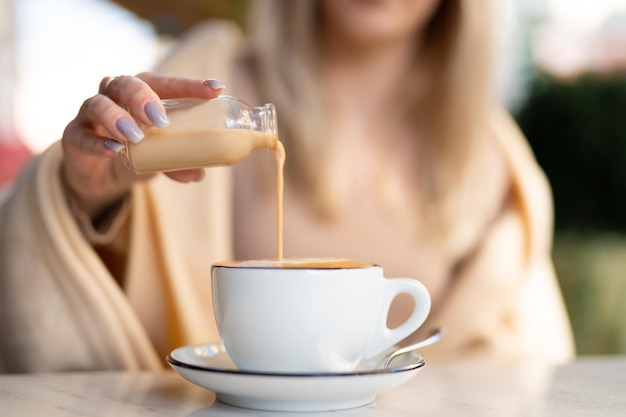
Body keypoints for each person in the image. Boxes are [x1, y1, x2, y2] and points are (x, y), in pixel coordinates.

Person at [0, 0, 574, 373]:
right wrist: (82, 193)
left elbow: (527, 364)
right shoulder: (213, 92)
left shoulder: (491, 153)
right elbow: (90, 289)